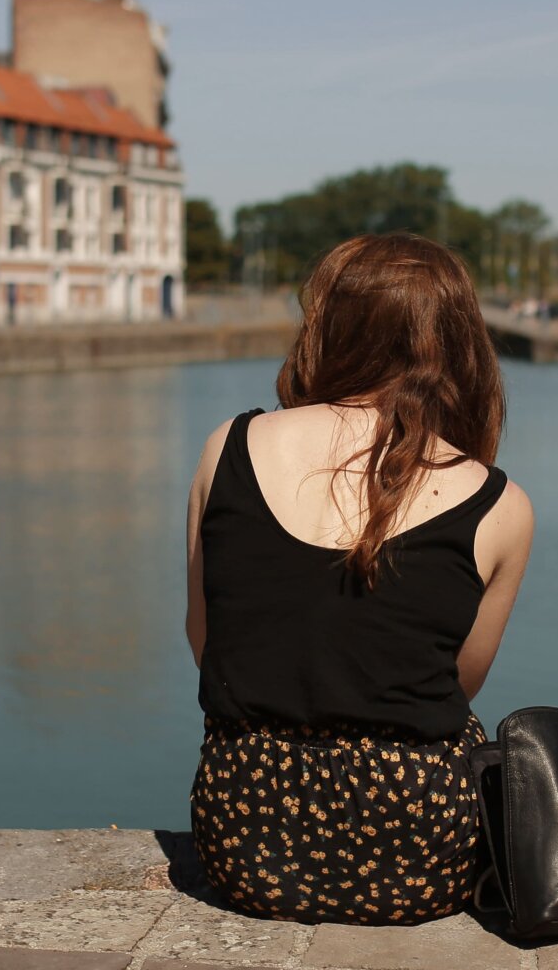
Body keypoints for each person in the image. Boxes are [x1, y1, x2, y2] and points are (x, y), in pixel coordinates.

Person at [183, 233, 535, 925]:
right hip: (418, 857)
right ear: (461, 346)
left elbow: (206, 640)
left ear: (327, 327)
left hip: (246, 841)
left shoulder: (227, 447)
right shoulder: (500, 503)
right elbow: (453, 684)